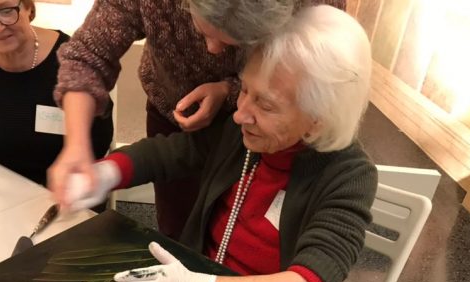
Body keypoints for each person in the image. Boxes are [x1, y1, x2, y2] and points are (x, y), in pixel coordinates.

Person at [64, 5, 377, 282]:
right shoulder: (240, 134)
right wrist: (104, 174)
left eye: (266, 105)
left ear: (317, 121)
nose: (240, 114)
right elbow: (167, 154)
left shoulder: (349, 176)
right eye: (244, 90)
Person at [48, 0, 346, 239]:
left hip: (270, 136)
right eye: (203, 31)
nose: (212, 50)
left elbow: (305, 279)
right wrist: (78, 147)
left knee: (248, 234)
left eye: (237, 42)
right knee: (180, 225)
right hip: (187, 121)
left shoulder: (340, 178)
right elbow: (89, 55)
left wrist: (231, 91)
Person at [0, 0, 113, 185]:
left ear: (28, 7)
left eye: (6, 11)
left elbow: (98, 140)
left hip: (66, 186)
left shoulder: (74, 61)